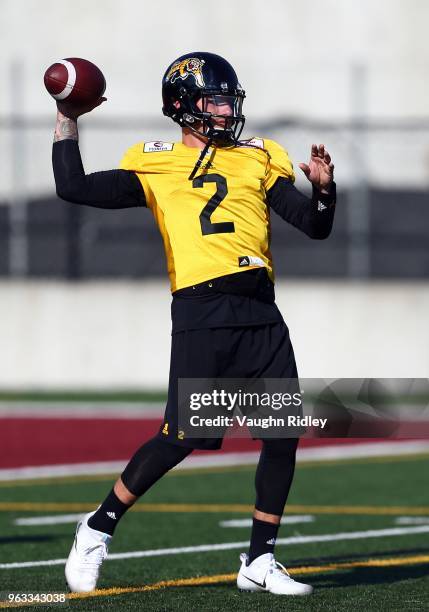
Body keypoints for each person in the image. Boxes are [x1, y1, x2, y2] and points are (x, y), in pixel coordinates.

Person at [52, 51, 336, 596]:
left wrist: (323, 190)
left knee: (281, 436)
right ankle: (97, 526)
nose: (228, 111)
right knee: (182, 436)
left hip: (260, 307)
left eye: (231, 100)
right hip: (202, 310)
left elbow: (314, 227)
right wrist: (70, 116)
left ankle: (259, 559)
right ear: (184, 108)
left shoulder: (259, 157)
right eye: (217, 100)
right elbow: (73, 187)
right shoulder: (152, 162)